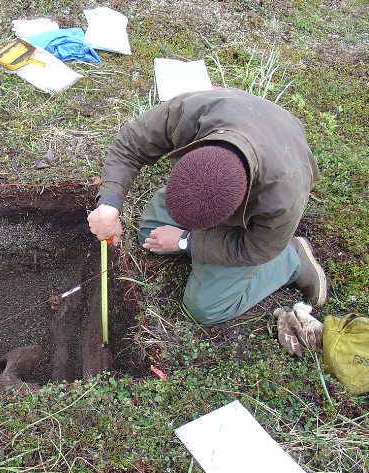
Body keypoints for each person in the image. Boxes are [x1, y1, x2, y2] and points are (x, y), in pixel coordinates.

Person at [87, 88, 327, 325]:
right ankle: (200, 243)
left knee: (205, 308)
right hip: (242, 126)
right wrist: (110, 203)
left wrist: (186, 241)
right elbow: (131, 143)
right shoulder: (193, 112)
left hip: (256, 230)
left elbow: (257, 249)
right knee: (150, 235)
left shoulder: (282, 197)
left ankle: (291, 260)